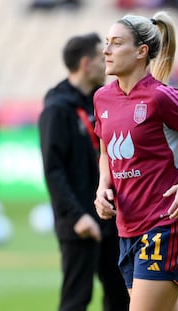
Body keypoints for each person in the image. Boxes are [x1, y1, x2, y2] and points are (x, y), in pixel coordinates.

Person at [93, 11, 178, 311]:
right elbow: (105, 152)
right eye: (106, 42)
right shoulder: (102, 97)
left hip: (166, 224)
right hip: (127, 228)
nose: (106, 50)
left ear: (141, 52)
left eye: (116, 43)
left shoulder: (162, 97)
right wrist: (102, 188)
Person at [38, 33, 129, 311]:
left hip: (109, 216)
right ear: (86, 64)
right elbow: (53, 171)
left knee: (121, 296)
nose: (107, 63)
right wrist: (76, 216)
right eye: (102, 57)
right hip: (78, 221)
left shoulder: (100, 102)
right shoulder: (57, 109)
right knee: (77, 299)